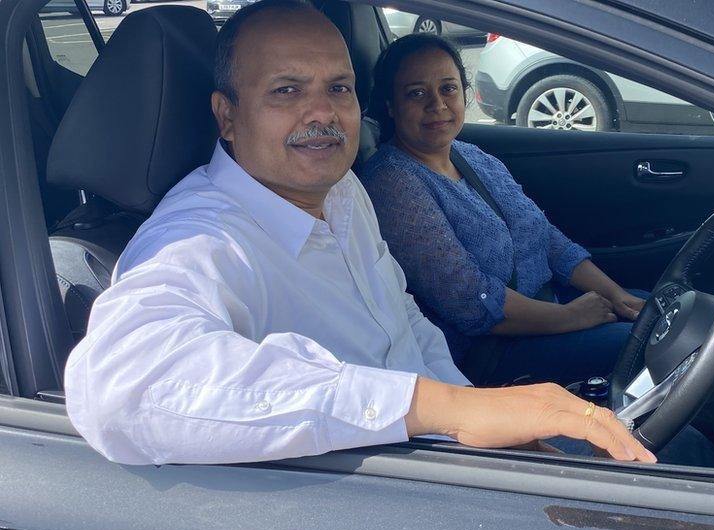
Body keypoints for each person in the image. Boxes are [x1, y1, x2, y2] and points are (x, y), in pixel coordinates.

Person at [62, 0, 655, 466]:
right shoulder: (200, 237)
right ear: (227, 115)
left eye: (338, 87)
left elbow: (404, 321)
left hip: (443, 463)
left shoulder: (342, 192)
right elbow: (120, 388)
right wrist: (441, 408)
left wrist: (474, 418)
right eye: (286, 90)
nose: (322, 113)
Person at [360, 35, 645, 388]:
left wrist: (616, 294)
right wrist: (570, 317)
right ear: (390, 105)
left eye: (448, 88)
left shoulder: (472, 156)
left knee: (658, 312)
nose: (437, 105)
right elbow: (472, 302)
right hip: (493, 352)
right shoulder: (392, 183)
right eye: (416, 93)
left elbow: (546, 238)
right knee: (649, 345)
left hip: (548, 312)